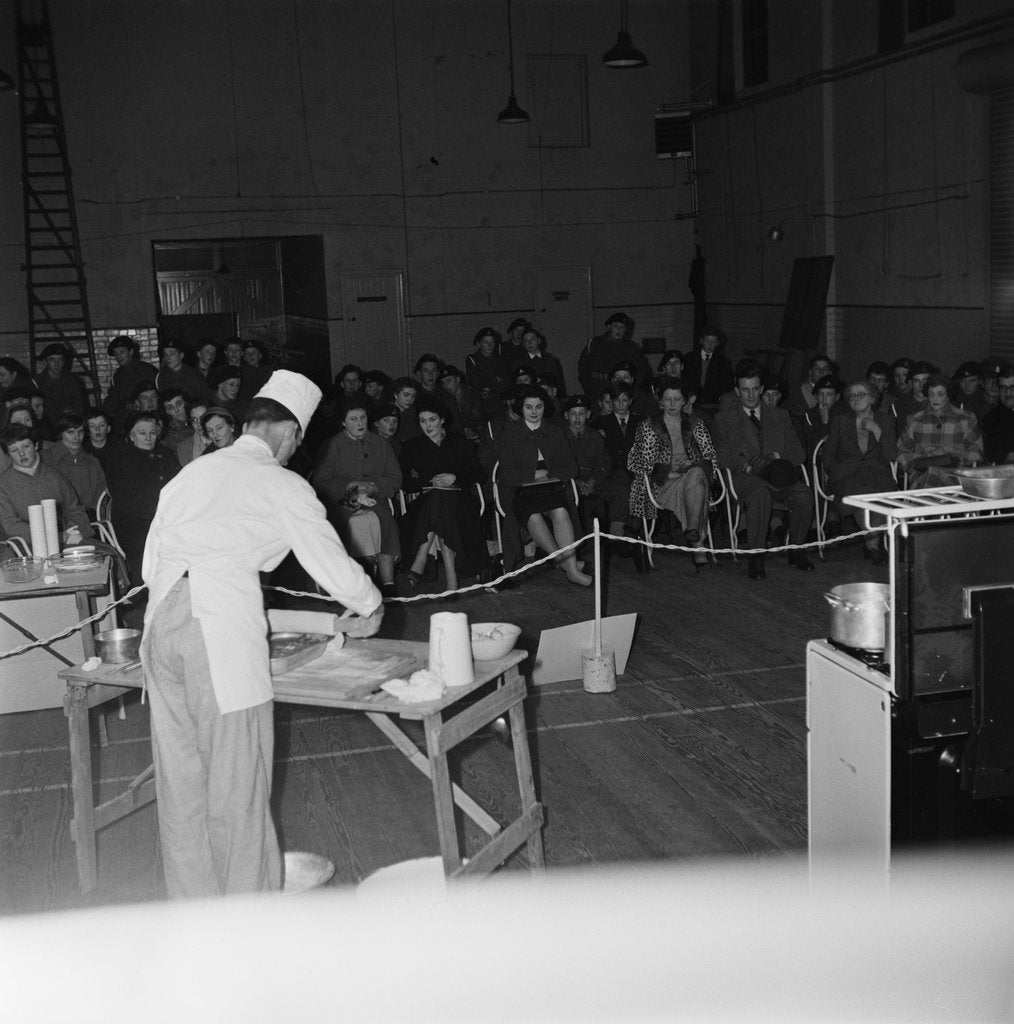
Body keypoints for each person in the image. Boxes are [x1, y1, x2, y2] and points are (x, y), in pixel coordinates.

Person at [141, 371, 383, 898]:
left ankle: (196, 914)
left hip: (160, 623)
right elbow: (331, 563)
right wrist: (370, 602)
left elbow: (149, 563)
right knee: (238, 787)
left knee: (182, 785)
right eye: (297, 439)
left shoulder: (193, 474)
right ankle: (250, 926)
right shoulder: (282, 483)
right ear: (289, 433)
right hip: (218, 630)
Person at [713, 361, 814, 580]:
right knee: (759, 494)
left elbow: (799, 453)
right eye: (745, 390)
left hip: (778, 475)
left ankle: (796, 550)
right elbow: (720, 456)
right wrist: (746, 464)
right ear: (737, 391)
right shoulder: (723, 420)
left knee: (804, 495)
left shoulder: (781, 416)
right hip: (746, 477)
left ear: (761, 389)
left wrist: (776, 456)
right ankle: (756, 557)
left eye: (755, 389)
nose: (751, 394)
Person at [495, 385, 591, 587]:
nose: (534, 411)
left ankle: (570, 568)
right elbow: (506, 475)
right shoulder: (509, 434)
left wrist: (548, 474)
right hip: (519, 491)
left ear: (544, 408)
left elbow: (570, 468)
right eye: (529, 407)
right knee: (533, 515)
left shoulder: (554, 431)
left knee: (561, 511)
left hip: (550, 486)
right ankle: (568, 566)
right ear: (521, 409)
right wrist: (532, 475)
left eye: (538, 406)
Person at [313, 396, 402, 597]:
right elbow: (321, 481)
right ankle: (338, 582)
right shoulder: (332, 445)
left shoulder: (380, 443)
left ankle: (387, 582)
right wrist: (350, 486)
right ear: (343, 422)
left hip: (374, 497)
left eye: (363, 417)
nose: (360, 423)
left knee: (385, 520)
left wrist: (373, 487)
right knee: (339, 525)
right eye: (353, 419)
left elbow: (395, 477)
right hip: (341, 500)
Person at [627, 377, 719, 571]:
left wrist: (692, 465)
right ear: (660, 401)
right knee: (696, 482)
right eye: (667, 399)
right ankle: (697, 543)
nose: (672, 404)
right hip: (660, 484)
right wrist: (667, 473)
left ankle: (693, 530)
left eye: (677, 399)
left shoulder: (696, 423)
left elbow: (711, 457)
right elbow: (637, 461)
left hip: (692, 478)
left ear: (685, 401)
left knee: (696, 474)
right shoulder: (648, 425)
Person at [398, 400, 487, 591]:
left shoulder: (460, 442)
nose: (428, 426)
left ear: (443, 420)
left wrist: (454, 477)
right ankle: (451, 576)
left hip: (460, 499)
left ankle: (421, 559)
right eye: (422, 421)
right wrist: (425, 484)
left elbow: (479, 474)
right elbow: (403, 480)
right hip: (427, 499)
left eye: (432, 420)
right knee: (439, 500)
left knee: (442, 504)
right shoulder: (413, 445)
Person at [821, 381, 898, 564]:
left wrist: (877, 431)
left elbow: (891, 455)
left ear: (872, 398)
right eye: (852, 396)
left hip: (877, 472)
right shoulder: (841, 421)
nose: (856, 399)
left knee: (881, 495)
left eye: (861, 394)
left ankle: (871, 543)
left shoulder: (884, 420)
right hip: (849, 473)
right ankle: (873, 545)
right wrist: (835, 470)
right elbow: (828, 453)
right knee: (859, 493)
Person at [106, 412, 181, 584]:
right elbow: (126, 499)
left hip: (166, 519)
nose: (148, 438)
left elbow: (179, 486)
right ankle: (146, 595)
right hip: (135, 523)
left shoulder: (166, 455)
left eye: (152, 433)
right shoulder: (120, 458)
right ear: (131, 436)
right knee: (148, 549)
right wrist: (159, 515)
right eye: (142, 433)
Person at [0, 423, 94, 545]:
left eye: (26, 446)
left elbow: (74, 510)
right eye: (14, 450)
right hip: (27, 548)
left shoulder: (54, 475)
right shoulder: (3, 484)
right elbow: (11, 525)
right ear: (7, 454)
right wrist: (57, 537)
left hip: (67, 543)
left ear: (36, 445)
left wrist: (77, 530)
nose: (22, 454)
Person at [897, 374, 983, 488]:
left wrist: (951, 455)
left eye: (940, 394)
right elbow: (901, 454)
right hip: (923, 476)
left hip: (957, 477)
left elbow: (977, 454)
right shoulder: (916, 420)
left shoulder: (965, 419)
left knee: (936, 472)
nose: (935, 399)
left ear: (948, 395)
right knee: (933, 472)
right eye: (931, 395)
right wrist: (925, 458)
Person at [41, 412, 107, 517]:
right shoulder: (45, 459)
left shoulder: (93, 462)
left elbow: (101, 495)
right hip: (56, 519)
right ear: (60, 434)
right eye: (70, 432)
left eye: (80, 431)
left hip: (91, 519)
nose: (77, 437)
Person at [578, 312, 652, 400]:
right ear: (609, 327)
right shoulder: (594, 343)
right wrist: (587, 387)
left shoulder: (631, 347)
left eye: (622, 327)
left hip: (620, 388)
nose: (619, 330)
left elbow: (642, 370)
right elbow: (583, 366)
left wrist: (632, 388)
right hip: (597, 387)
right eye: (616, 326)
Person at [103, 335, 157, 429]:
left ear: (131, 352)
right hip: (124, 419)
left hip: (146, 417)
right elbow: (112, 399)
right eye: (116, 353)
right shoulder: (117, 375)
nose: (118, 356)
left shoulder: (147, 370)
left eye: (122, 352)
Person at [682, 327, 735, 415]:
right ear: (701, 341)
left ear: (717, 343)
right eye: (707, 341)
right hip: (693, 404)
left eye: (713, 342)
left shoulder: (723, 361)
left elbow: (726, 384)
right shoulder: (689, 358)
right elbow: (685, 380)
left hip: (713, 405)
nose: (710, 345)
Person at [35, 343, 88, 423]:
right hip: (45, 426)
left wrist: (72, 411)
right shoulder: (36, 382)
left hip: (66, 424)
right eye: (52, 360)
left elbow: (80, 407)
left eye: (60, 359)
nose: (57, 364)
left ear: (64, 361)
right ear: (45, 362)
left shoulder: (73, 381)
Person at [465, 326, 510, 418]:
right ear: (478, 344)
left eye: (492, 342)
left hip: (499, 402)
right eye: (486, 342)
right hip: (482, 404)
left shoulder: (500, 359)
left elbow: (506, 382)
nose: (490, 345)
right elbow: (474, 382)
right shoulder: (472, 359)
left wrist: (488, 381)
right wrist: (495, 379)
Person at [981, 364, 1014, 465]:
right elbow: (991, 456)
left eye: (1012, 388)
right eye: (1003, 388)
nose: (1008, 393)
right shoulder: (990, 419)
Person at [176, 401, 211, 466]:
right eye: (194, 420)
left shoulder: (224, 438)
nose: (198, 424)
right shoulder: (183, 447)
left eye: (202, 418)